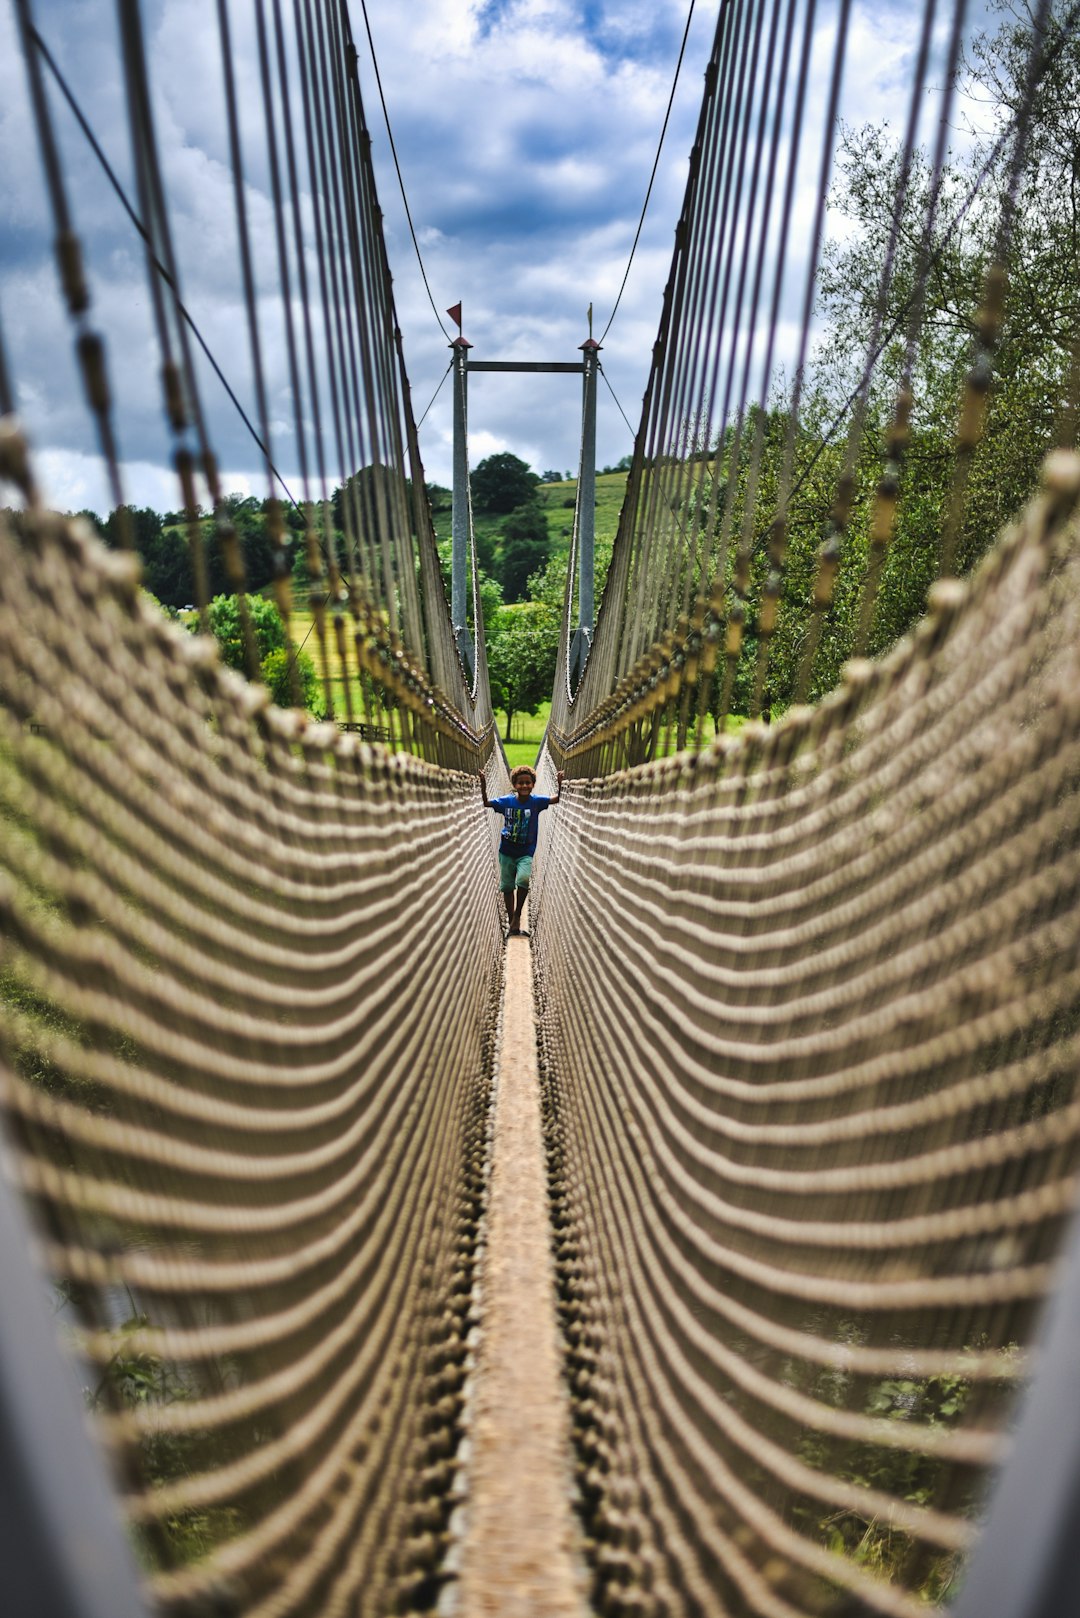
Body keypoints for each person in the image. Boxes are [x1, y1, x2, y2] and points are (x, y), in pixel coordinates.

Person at [479, 764, 564, 936]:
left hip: (526, 851)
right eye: (520, 783)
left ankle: (517, 915)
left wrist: (560, 783)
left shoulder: (537, 802)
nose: (524, 786)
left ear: (533, 784)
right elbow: (487, 803)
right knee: (507, 887)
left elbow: (556, 800)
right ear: (514, 785)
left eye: (527, 783)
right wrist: (483, 783)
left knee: (524, 879)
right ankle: (512, 923)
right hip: (507, 852)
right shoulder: (506, 802)